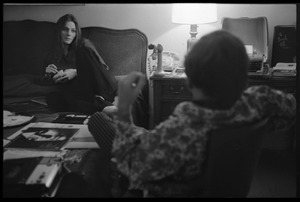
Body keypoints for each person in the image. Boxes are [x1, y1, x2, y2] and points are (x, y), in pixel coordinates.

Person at [88, 30, 296, 197]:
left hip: (160, 173)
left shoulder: (185, 127)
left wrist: (124, 109)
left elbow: (132, 166)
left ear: (190, 78)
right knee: (139, 132)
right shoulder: (259, 100)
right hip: (218, 180)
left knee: (98, 121)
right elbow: (290, 108)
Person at [41, 14, 117, 114]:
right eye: (65, 29)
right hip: (82, 92)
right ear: (59, 31)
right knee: (52, 98)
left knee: (83, 50)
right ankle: (103, 107)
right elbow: (48, 84)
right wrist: (48, 75)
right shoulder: (52, 54)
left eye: (73, 31)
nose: (69, 34)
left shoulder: (83, 44)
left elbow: (101, 69)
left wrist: (76, 72)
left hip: (102, 87)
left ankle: (101, 102)